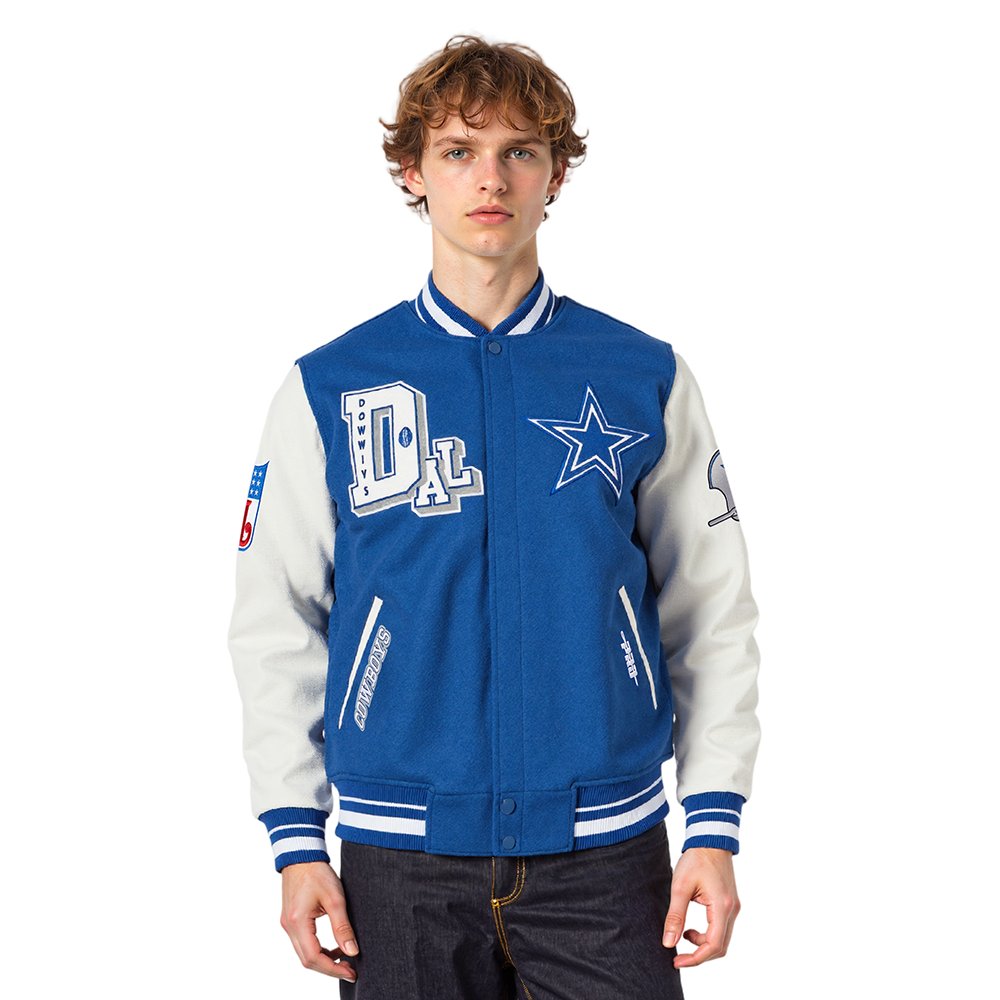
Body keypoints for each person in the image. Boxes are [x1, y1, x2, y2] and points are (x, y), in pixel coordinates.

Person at [230, 35, 760, 999]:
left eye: (520, 150)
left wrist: (714, 823)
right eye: (458, 151)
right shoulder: (329, 388)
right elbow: (277, 623)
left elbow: (712, 611)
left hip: (607, 857)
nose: (491, 178)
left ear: (555, 173)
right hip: (399, 864)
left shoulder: (642, 376)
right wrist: (295, 841)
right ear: (412, 172)